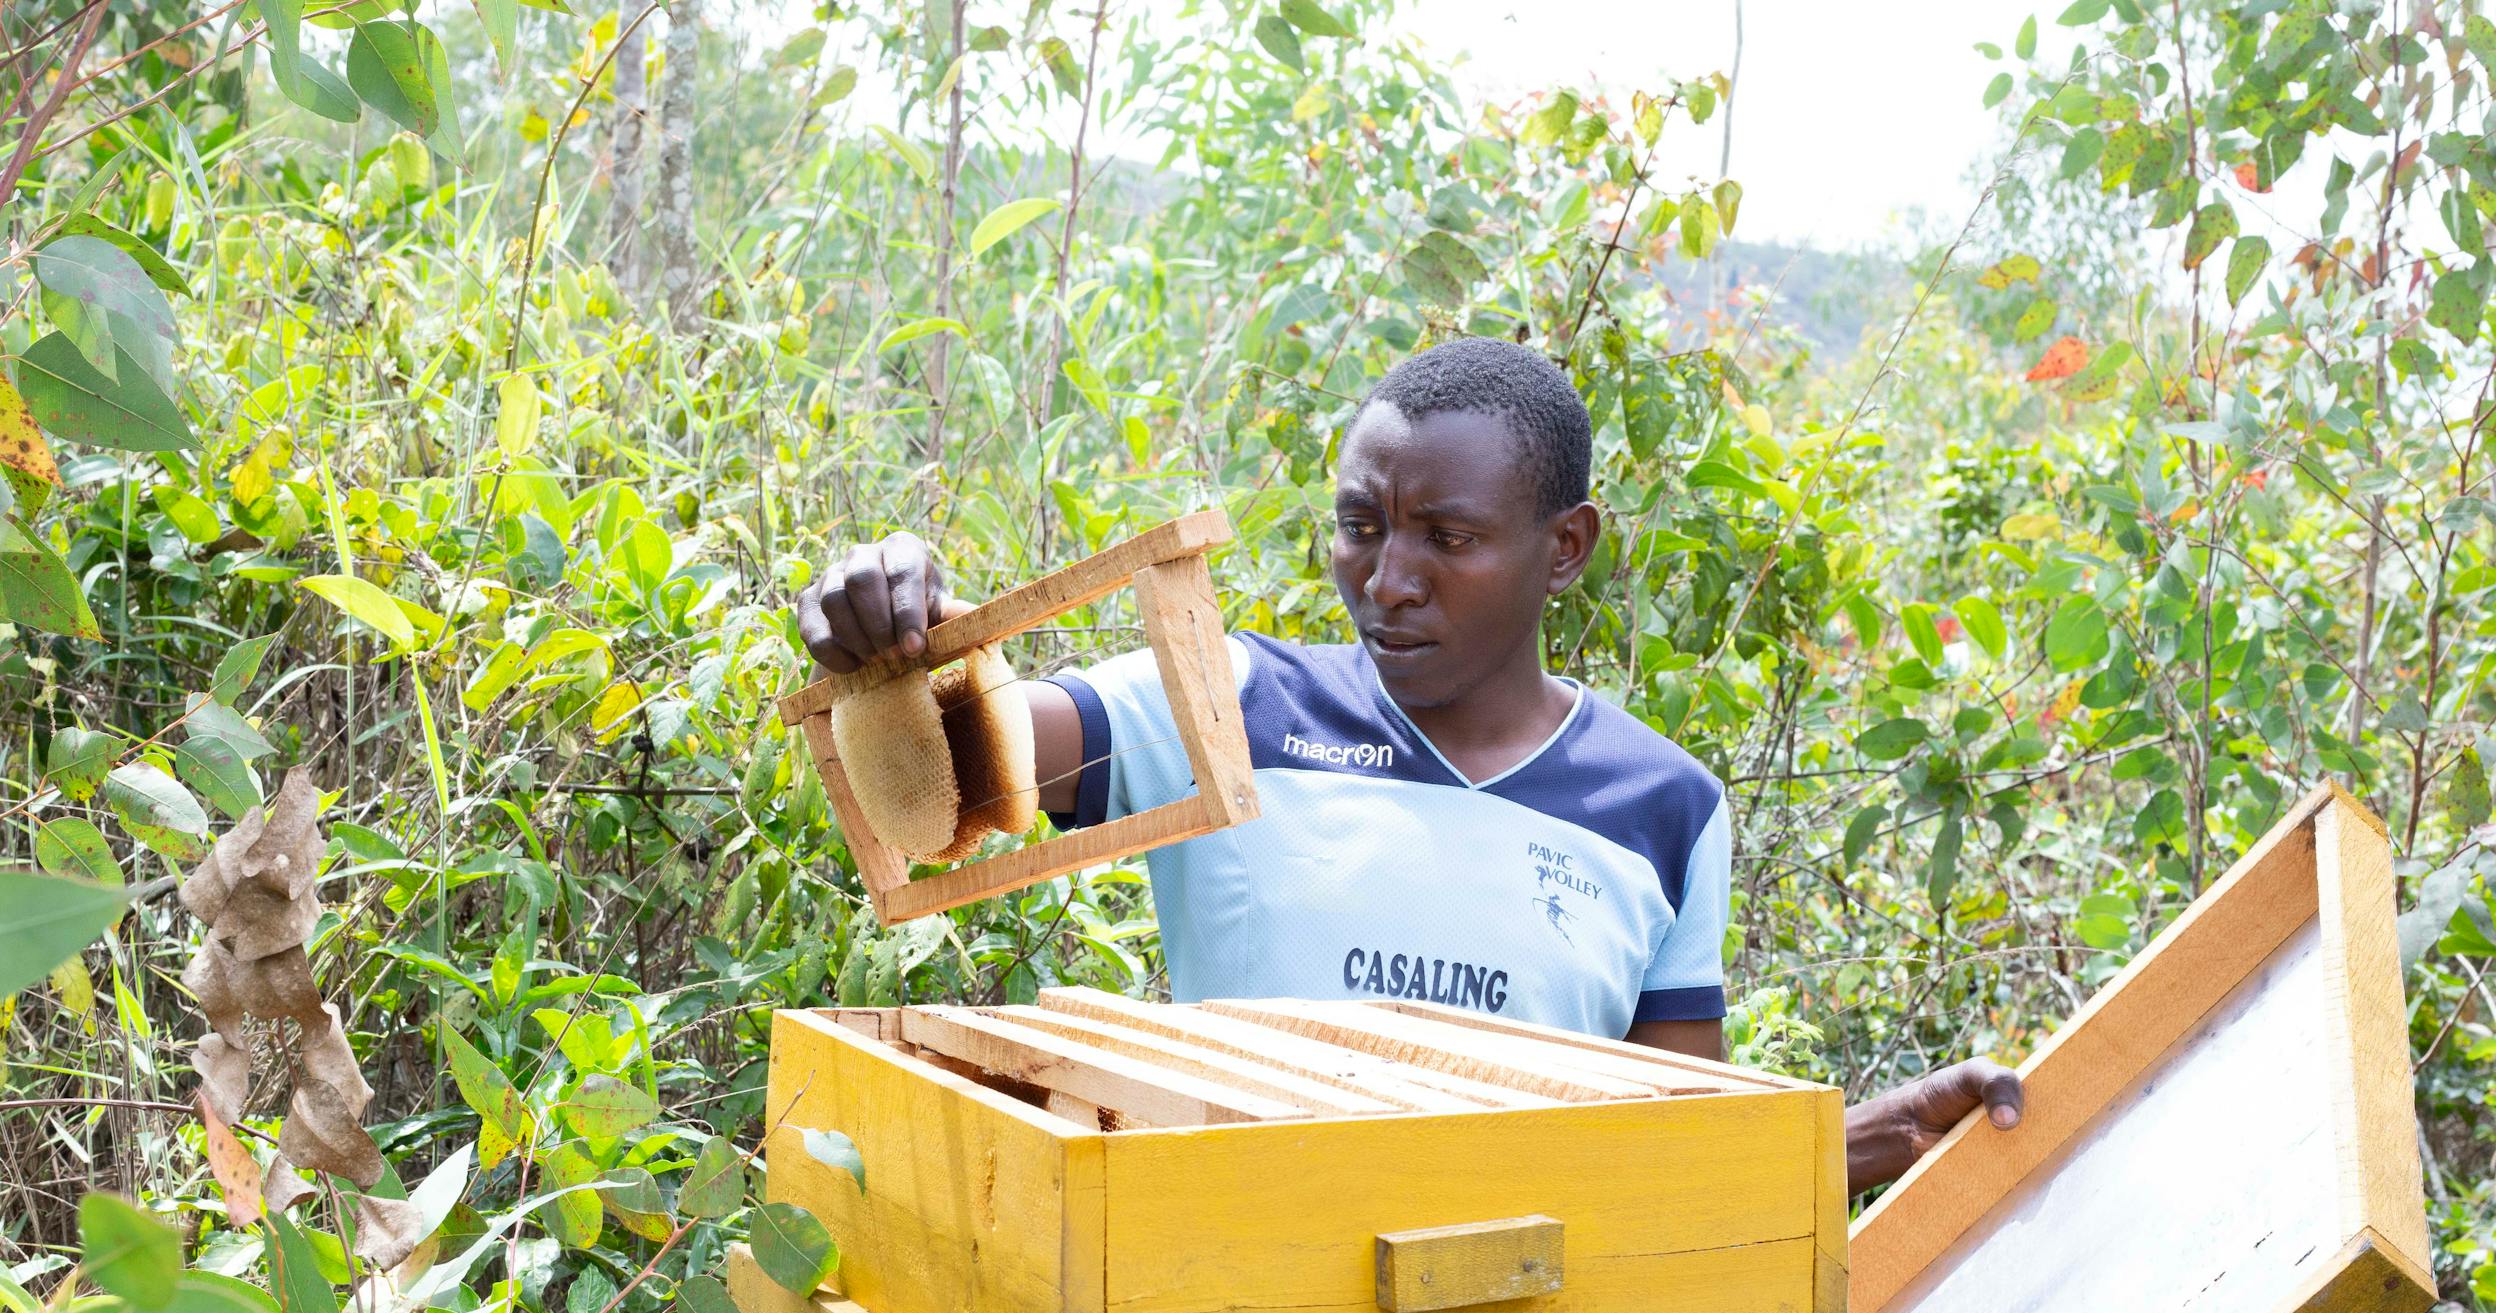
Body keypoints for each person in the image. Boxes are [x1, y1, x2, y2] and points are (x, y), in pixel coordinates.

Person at [798, 336, 2020, 1193]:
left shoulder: (1664, 808)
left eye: (1449, 538)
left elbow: (1671, 1159)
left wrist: (1865, 1139)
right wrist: (896, 643)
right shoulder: (1230, 703)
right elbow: (956, 781)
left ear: (1565, 548)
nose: (1387, 580)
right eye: (1362, 526)